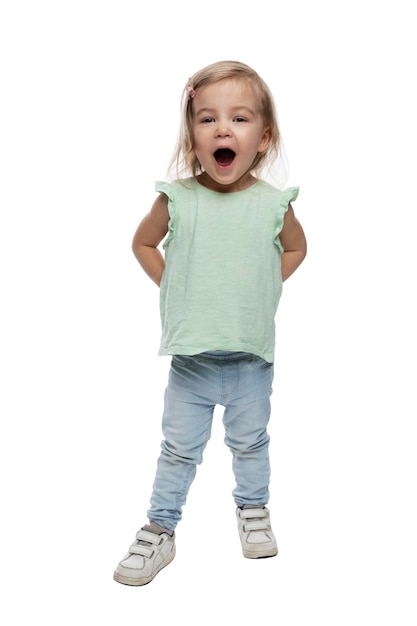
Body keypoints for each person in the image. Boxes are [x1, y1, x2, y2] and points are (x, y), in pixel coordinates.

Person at [113, 60, 307, 586]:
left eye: (239, 119)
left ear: (263, 139)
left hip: (250, 361)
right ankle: (160, 528)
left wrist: (261, 285)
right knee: (178, 449)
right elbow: (142, 243)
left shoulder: (272, 204)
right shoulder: (179, 197)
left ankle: (253, 510)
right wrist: (175, 286)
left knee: (251, 444)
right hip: (192, 364)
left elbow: (296, 249)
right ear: (193, 136)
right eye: (207, 120)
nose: (223, 130)